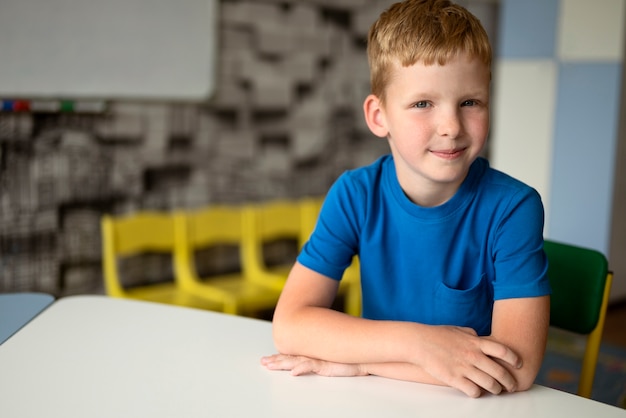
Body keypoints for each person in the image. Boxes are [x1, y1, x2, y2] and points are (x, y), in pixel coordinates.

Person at [261, 0, 551, 398]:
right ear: (379, 116)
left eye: (470, 102)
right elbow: (290, 325)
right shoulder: (354, 195)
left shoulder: (513, 208)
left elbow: (512, 370)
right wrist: (421, 344)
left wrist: (361, 363)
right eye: (422, 104)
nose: (451, 126)